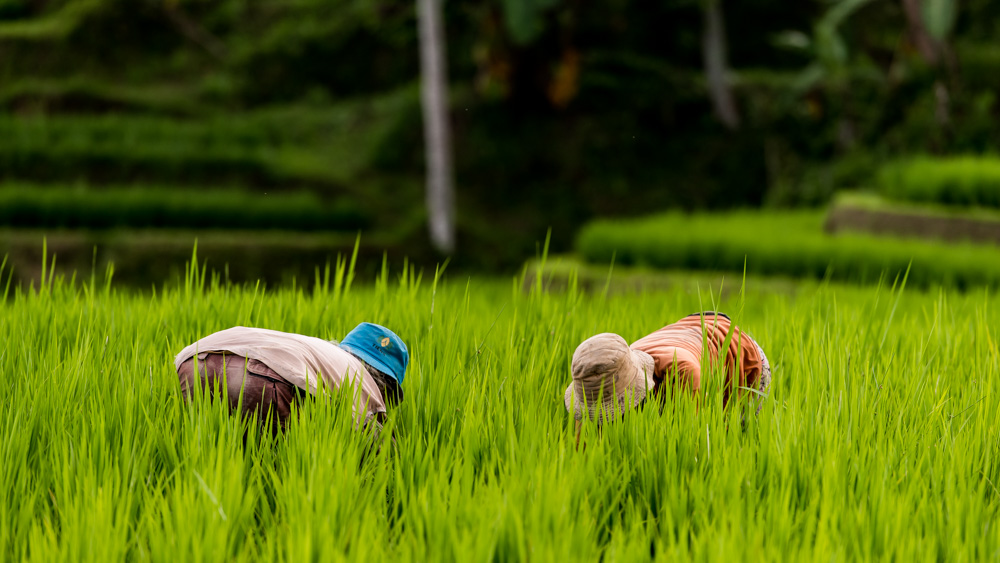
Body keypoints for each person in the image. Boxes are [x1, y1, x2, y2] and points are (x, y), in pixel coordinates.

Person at [175, 322, 408, 434]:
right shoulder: (360, 380)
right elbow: (378, 449)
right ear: (385, 384)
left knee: (213, 453)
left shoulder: (319, 351)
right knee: (269, 467)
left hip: (194, 362)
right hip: (261, 380)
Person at [564, 312, 770, 424]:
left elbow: (696, 439)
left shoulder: (685, 372)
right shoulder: (603, 366)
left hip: (739, 358)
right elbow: (586, 439)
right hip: (690, 332)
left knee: (730, 436)